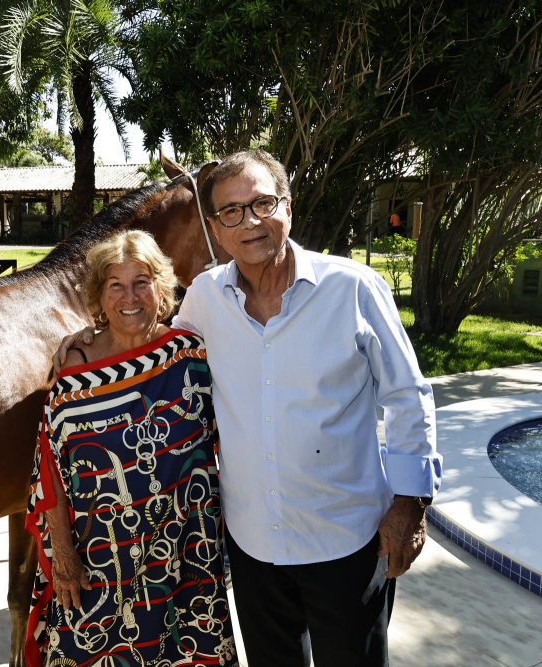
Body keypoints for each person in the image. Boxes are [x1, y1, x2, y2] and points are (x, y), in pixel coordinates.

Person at [55, 151, 442, 667]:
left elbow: (407, 396)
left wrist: (410, 505)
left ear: (288, 206)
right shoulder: (205, 300)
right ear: (214, 227)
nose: (250, 222)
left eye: (263, 203)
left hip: (346, 540)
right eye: (232, 212)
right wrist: (95, 336)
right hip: (253, 546)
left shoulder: (352, 288)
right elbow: (152, 347)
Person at [25, 230, 237, 667]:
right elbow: (49, 467)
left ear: (161, 287)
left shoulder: (190, 354)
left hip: (185, 551)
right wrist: (62, 555)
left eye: (142, 281)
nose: (130, 296)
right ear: (99, 296)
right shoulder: (75, 368)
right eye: (115, 285)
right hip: (100, 561)